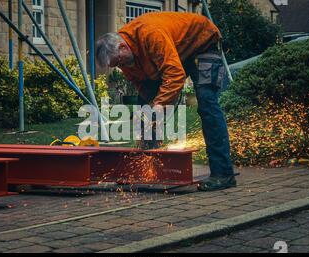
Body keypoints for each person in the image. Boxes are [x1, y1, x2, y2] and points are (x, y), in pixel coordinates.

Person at [95, 12, 236, 191]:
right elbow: (141, 84)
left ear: (123, 47)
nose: (120, 67)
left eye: (119, 62)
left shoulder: (150, 34)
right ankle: (147, 169)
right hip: (176, 50)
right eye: (115, 65)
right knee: (144, 110)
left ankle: (223, 174)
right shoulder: (125, 57)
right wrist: (149, 112)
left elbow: (175, 74)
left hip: (202, 43)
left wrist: (160, 104)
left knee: (207, 103)